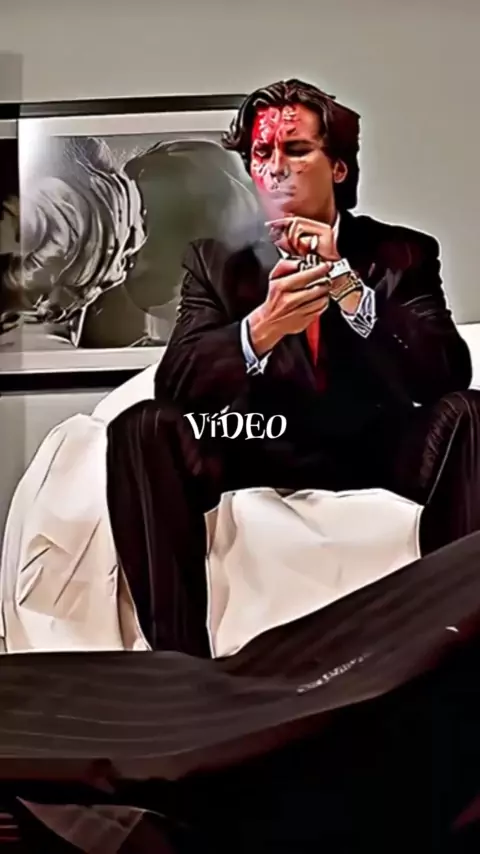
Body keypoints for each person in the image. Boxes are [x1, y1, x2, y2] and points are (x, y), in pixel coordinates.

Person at [107, 77, 480, 656]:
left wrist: (350, 290)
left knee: (471, 414)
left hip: (374, 445)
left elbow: (445, 373)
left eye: (296, 150)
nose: (275, 168)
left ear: (339, 168)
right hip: (260, 440)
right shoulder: (215, 259)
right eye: (261, 153)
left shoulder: (402, 252)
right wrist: (260, 328)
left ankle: (453, 648)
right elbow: (177, 384)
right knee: (140, 427)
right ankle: (179, 667)